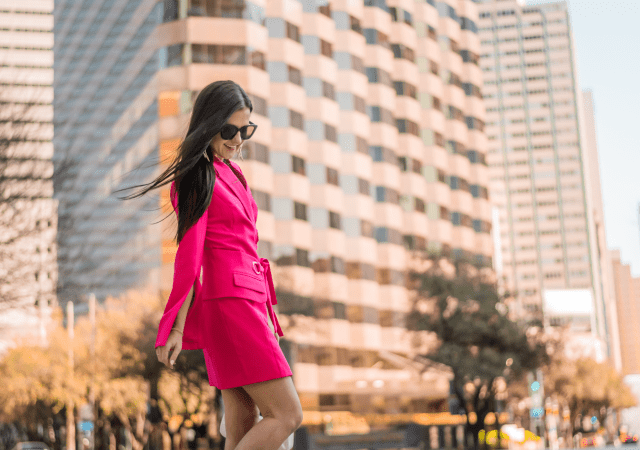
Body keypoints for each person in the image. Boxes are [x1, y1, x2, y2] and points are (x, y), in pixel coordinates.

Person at [119, 80, 303, 450]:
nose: (238, 140)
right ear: (209, 125)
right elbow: (189, 258)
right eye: (229, 130)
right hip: (232, 307)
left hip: (247, 302)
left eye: (245, 130)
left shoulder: (231, 171)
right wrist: (174, 327)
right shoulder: (197, 177)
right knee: (287, 414)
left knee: (241, 427)